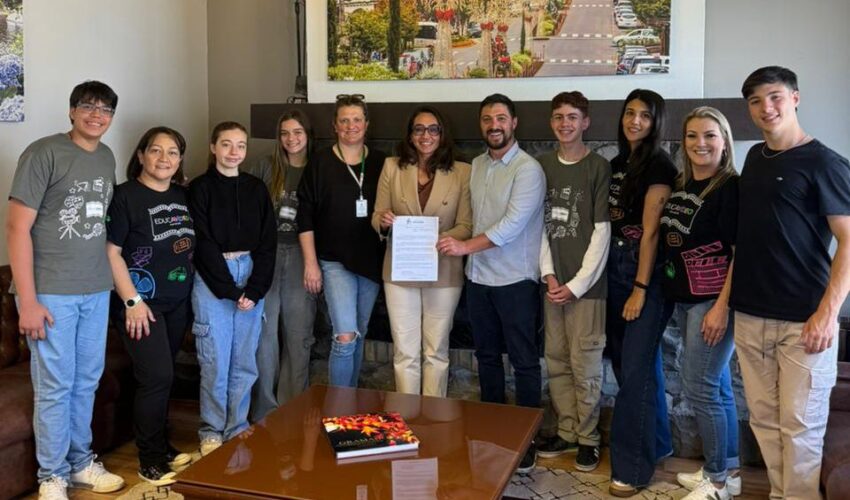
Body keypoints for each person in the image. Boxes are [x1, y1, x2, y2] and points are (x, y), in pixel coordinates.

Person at [731, 66, 850, 500]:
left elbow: (849, 240)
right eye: (756, 101)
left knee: (801, 429)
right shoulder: (753, 158)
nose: (766, 108)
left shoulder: (825, 162)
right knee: (764, 423)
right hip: (750, 317)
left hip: (804, 322)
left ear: (795, 98)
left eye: (775, 97)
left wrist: (827, 314)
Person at [6, 81, 125, 499]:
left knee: (86, 381)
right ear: (72, 111)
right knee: (55, 386)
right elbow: (17, 228)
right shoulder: (43, 153)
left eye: (105, 109)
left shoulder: (107, 156)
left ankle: (80, 463)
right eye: (88, 106)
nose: (97, 115)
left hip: (95, 287)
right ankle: (51, 476)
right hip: (51, 292)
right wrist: (28, 301)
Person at [437, 93, 545, 473]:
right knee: (486, 358)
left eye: (501, 118)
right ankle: (494, 431)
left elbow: (510, 226)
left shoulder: (528, 169)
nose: (494, 125)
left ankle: (527, 440)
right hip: (479, 278)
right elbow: (471, 217)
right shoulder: (478, 165)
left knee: (524, 361)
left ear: (514, 123)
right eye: (487, 119)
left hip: (515, 280)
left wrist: (464, 247)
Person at [106, 126, 195, 485]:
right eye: (156, 150)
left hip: (177, 303)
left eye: (172, 152)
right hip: (140, 305)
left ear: (180, 160)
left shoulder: (183, 195)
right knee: (157, 376)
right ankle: (150, 460)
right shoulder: (125, 196)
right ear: (141, 155)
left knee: (163, 375)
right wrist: (132, 301)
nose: (164, 158)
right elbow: (111, 253)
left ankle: (161, 444)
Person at [660, 108, 741, 500]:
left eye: (710, 135)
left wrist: (721, 307)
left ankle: (718, 482)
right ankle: (729, 470)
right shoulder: (684, 184)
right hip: (686, 297)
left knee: (701, 388)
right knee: (719, 387)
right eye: (692, 135)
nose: (700, 144)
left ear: (724, 141)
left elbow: (739, 253)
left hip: (712, 301)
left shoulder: (731, 187)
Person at [188, 121, 277, 456]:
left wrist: (254, 290)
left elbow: (268, 242)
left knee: (244, 361)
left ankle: (237, 426)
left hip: (250, 271)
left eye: (240, 145)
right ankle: (212, 430)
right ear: (213, 147)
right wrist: (229, 289)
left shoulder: (256, 188)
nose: (233, 152)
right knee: (215, 360)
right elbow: (202, 242)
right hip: (214, 278)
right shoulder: (199, 188)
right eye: (226, 144)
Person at [605, 89, 677, 497]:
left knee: (634, 374)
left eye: (645, 116)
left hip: (643, 275)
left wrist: (640, 289)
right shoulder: (618, 163)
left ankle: (632, 469)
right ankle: (659, 442)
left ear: (656, 122)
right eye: (629, 112)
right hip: (615, 269)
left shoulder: (659, 165)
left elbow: (650, 234)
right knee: (635, 366)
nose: (635, 121)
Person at [372, 105, 472, 397]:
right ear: (410, 134)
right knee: (404, 352)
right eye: (419, 129)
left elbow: (466, 225)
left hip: (444, 270)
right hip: (400, 269)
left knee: (436, 350)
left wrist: (438, 239)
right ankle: (407, 415)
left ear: (442, 134)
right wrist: (384, 221)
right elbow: (377, 215)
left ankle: (432, 414)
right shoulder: (392, 167)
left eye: (432, 129)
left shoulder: (462, 172)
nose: (425, 136)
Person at [535, 91, 611, 472]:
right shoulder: (542, 166)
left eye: (572, 117)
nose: (565, 124)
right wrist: (549, 276)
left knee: (586, 364)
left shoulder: (598, 167)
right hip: (553, 286)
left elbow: (602, 232)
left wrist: (577, 285)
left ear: (585, 123)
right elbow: (538, 228)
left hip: (587, 290)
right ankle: (566, 431)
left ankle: (588, 437)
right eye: (559, 117)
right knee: (557, 360)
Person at [297, 94, 386, 388]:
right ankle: (338, 406)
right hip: (334, 260)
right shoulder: (320, 162)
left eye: (357, 119)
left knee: (359, 332)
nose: (351, 126)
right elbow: (305, 216)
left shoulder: (381, 162)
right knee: (345, 335)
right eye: (344, 120)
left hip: (371, 261)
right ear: (335, 125)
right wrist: (311, 263)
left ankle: (351, 399)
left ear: (366, 124)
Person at [250, 110, 319, 420]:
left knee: (298, 333)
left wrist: (314, 262)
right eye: (285, 133)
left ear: (308, 134)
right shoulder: (265, 166)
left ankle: (292, 408)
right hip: (267, 255)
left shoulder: (318, 167)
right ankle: (265, 410)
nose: (291, 139)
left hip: (304, 256)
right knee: (265, 336)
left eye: (297, 132)